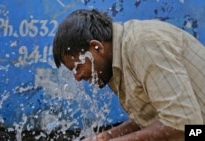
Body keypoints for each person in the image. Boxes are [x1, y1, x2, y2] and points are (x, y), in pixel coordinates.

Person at [52, 9, 205, 141]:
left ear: (96, 47)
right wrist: (107, 136)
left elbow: (183, 124)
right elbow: (154, 119)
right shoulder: (115, 59)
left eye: (78, 67)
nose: (77, 77)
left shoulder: (144, 45)